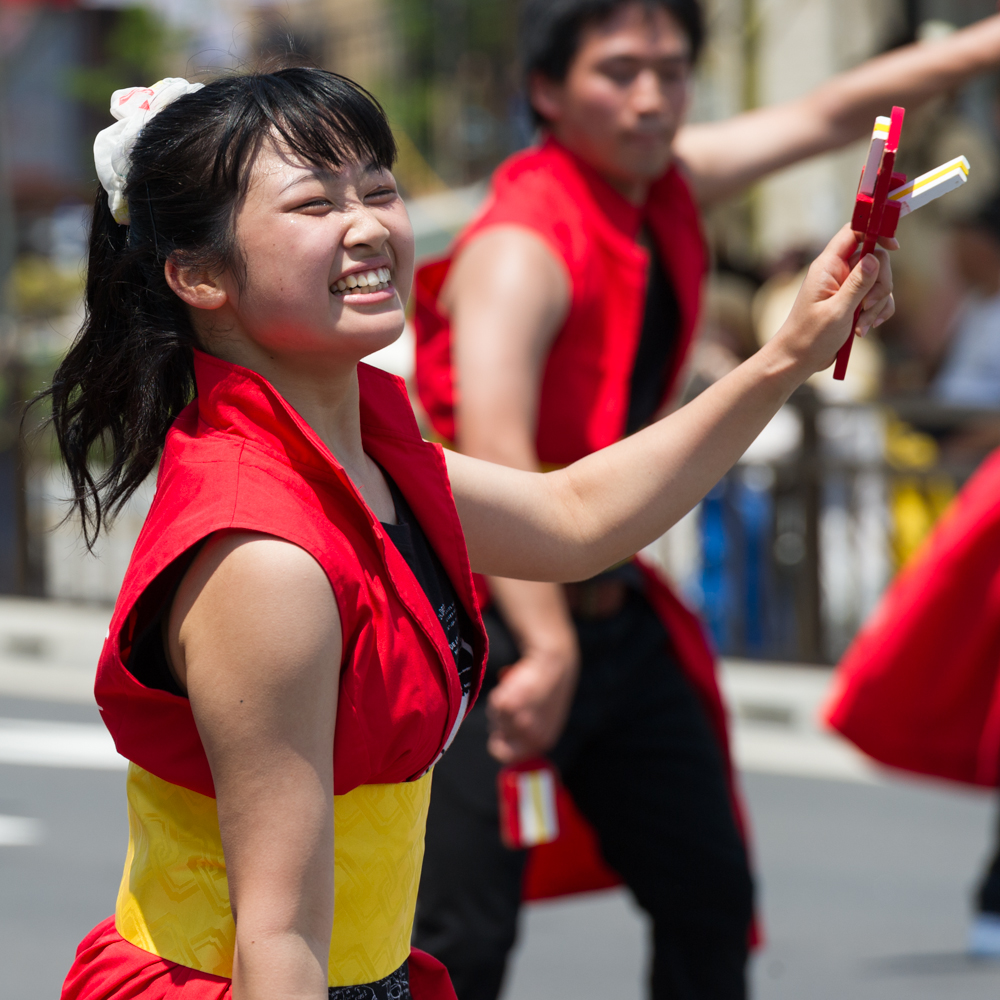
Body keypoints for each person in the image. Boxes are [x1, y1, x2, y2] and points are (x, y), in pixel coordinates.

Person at [53, 68, 891, 1000]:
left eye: (378, 188)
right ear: (200, 274)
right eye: (314, 203)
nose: (369, 225)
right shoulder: (264, 554)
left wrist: (788, 354)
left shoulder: (356, 464)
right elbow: (277, 938)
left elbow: (577, 520)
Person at [411, 2, 1000, 997]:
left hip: (610, 604)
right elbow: (493, 450)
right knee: (460, 934)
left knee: (707, 897)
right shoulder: (521, 243)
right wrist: (546, 645)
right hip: (498, 615)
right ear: (547, 94)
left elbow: (832, 109)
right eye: (619, 71)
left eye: (671, 71)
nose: (651, 97)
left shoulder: (662, 186)